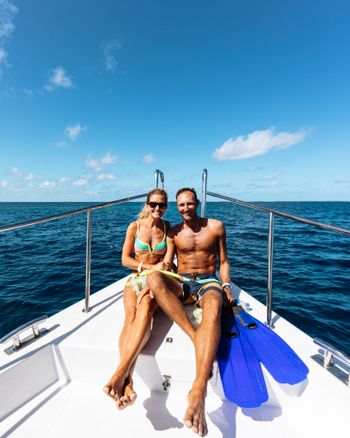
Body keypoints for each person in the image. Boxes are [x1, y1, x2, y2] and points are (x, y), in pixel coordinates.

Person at [147, 187, 233, 437]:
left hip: (208, 281)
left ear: (197, 203)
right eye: (181, 205)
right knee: (154, 278)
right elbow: (169, 261)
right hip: (183, 281)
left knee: (214, 306)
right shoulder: (174, 233)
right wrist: (161, 269)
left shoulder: (216, 227)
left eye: (189, 204)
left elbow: (224, 261)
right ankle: (196, 336)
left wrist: (226, 286)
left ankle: (199, 390)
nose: (185, 208)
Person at [103, 188, 170, 409]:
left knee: (147, 308)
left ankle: (120, 374)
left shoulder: (168, 229)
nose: (157, 208)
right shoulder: (134, 226)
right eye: (153, 204)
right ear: (147, 204)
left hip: (157, 280)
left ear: (166, 206)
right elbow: (124, 259)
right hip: (136, 277)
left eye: (162, 205)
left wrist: (154, 272)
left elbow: (168, 264)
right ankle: (128, 381)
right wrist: (148, 266)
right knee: (130, 316)